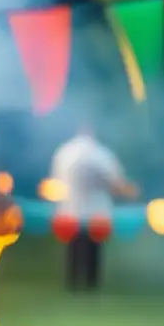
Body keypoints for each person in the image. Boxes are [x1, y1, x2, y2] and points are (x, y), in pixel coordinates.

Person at [50, 124, 138, 291]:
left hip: (71, 210)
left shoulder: (64, 152)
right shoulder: (101, 154)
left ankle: (73, 283)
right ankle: (91, 284)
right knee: (93, 250)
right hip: (96, 211)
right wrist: (128, 191)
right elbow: (115, 181)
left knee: (74, 249)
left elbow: (56, 181)